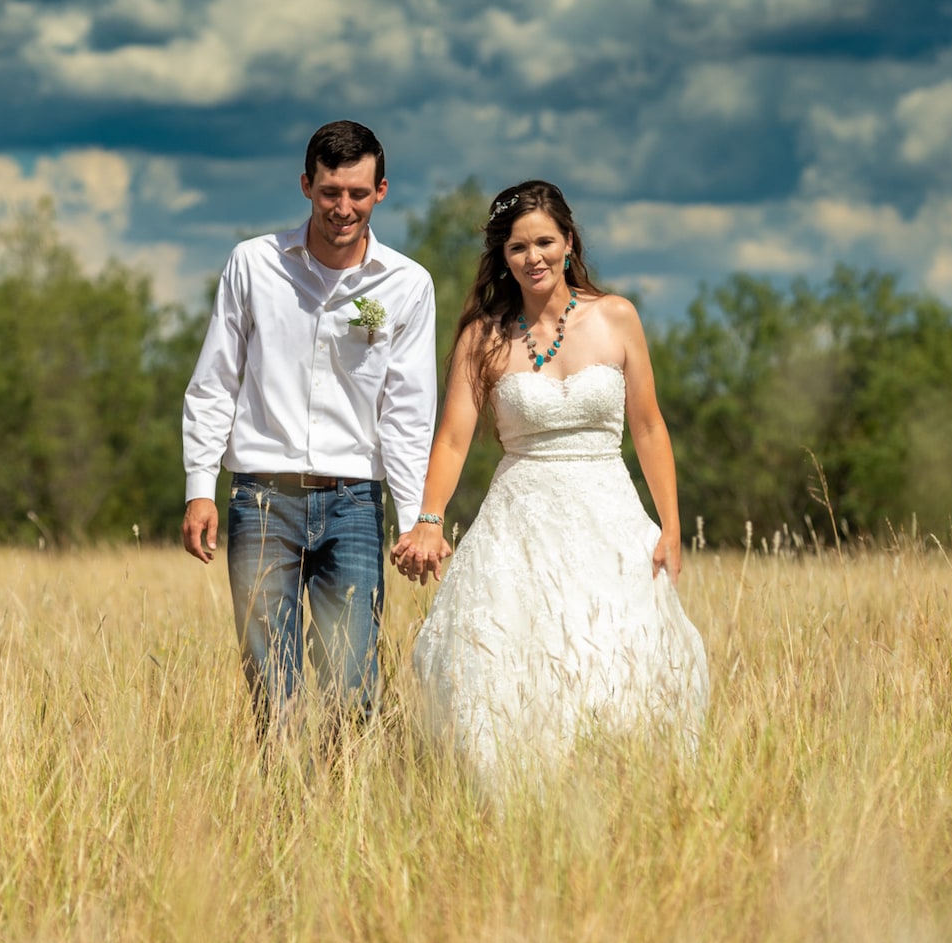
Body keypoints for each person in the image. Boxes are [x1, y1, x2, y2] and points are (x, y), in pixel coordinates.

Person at [392, 180, 708, 789]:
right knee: (510, 660)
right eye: (517, 247)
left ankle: (623, 792)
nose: (532, 257)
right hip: (520, 522)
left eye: (544, 242)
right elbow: (454, 438)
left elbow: (647, 425)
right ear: (502, 258)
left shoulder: (617, 317)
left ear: (568, 244)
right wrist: (429, 519)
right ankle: (513, 802)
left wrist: (670, 524)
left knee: (615, 654)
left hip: (608, 512)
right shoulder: (482, 337)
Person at [181, 120, 437, 736]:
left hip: (353, 503)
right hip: (260, 499)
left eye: (355, 192)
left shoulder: (406, 285)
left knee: (352, 685)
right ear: (305, 186)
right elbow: (215, 380)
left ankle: (345, 815)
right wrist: (198, 485)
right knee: (274, 687)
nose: (341, 207)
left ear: (380, 191)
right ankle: (283, 820)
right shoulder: (253, 263)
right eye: (329, 192)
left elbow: (408, 411)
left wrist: (414, 517)